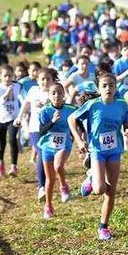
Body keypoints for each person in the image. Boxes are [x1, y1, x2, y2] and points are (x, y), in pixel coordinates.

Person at [70, 74, 128, 241]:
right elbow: (71, 118)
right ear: (99, 88)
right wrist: (78, 140)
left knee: (111, 191)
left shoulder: (121, 105)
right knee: (99, 189)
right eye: (104, 85)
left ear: (115, 87)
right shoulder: (92, 105)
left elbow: (126, 123)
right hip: (97, 150)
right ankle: (92, 178)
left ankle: (103, 227)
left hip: (115, 150)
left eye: (111, 85)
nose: (108, 88)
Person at [16, 68, 57, 200]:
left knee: (50, 158)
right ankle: (41, 187)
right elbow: (26, 105)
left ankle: (50, 183)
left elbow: (61, 105)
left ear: (52, 80)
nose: (45, 82)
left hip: (51, 128)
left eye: (48, 79)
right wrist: (19, 117)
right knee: (41, 154)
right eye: (42, 79)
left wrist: (50, 104)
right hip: (35, 128)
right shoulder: (33, 90)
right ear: (37, 80)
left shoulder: (54, 92)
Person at [37, 83, 76, 219]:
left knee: (58, 166)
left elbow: (81, 121)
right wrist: (52, 121)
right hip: (47, 146)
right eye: (53, 93)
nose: (57, 96)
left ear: (64, 94)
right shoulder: (45, 111)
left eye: (59, 93)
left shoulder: (71, 109)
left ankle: (64, 186)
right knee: (50, 179)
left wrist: (80, 136)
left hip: (64, 143)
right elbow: (41, 131)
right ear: (49, 95)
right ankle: (48, 206)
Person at [0, 65, 22, 176]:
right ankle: (0, 161)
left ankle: (13, 166)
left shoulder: (17, 86)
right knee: (1, 144)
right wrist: (5, 95)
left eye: (10, 75)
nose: (8, 78)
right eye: (5, 76)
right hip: (0, 119)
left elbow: (23, 87)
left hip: (13, 118)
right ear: (0, 76)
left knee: (12, 139)